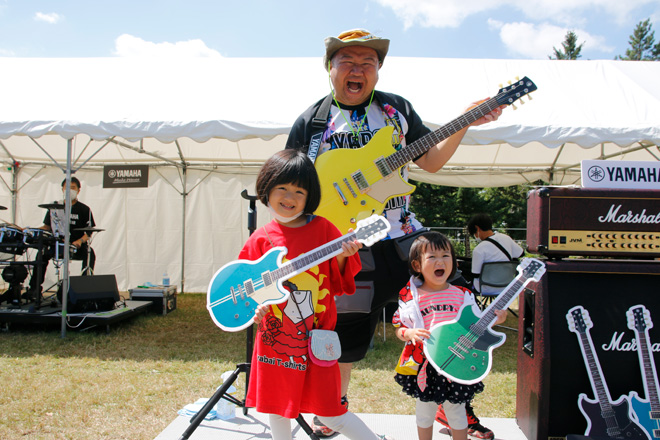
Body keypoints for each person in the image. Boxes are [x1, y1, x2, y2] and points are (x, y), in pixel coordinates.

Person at [284, 28, 505, 436]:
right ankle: (333, 409)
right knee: (346, 331)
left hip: (403, 238)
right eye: (347, 61)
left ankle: (453, 406)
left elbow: (431, 162)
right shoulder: (312, 121)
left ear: (378, 71)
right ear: (330, 68)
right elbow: (292, 185)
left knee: (453, 312)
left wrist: (467, 121)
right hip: (348, 245)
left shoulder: (395, 110)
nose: (357, 70)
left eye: (367, 63)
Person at [245, 150, 393, 440]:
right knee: (277, 409)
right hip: (275, 341)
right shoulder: (260, 238)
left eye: (299, 191)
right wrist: (256, 308)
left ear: (309, 196)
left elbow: (337, 282)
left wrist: (344, 254)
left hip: (316, 338)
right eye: (282, 188)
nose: (290, 197)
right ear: (267, 188)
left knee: (330, 412)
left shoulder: (324, 229)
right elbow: (247, 287)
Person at [392, 231, 506, 440]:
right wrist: (409, 332)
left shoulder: (462, 294)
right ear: (417, 265)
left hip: (457, 362)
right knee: (424, 411)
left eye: (446, 255)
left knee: (456, 411)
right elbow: (399, 327)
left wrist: (496, 319)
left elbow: (476, 325)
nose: (440, 261)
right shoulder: (411, 297)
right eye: (432, 257)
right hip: (426, 364)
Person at [24, 177, 96, 299]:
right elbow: (47, 227)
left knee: (90, 254)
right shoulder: (55, 208)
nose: (69, 190)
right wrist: (31, 230)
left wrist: (80, 241)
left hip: (76, 246)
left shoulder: (84, 209)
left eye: (73, 188)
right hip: (57, 245)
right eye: (67, 187)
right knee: (41, 254)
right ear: (62, 189)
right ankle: (34, 289)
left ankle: (84, 288)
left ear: (78, 190)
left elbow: (89, 232)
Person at [467, 213, 524, 295]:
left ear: (477, 228)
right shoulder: (506, 238)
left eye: (474, 234)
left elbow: (475, 274)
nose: (475, 236)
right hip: (507, 285)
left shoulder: (479, 249)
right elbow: (521, 253)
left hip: (485, 288)